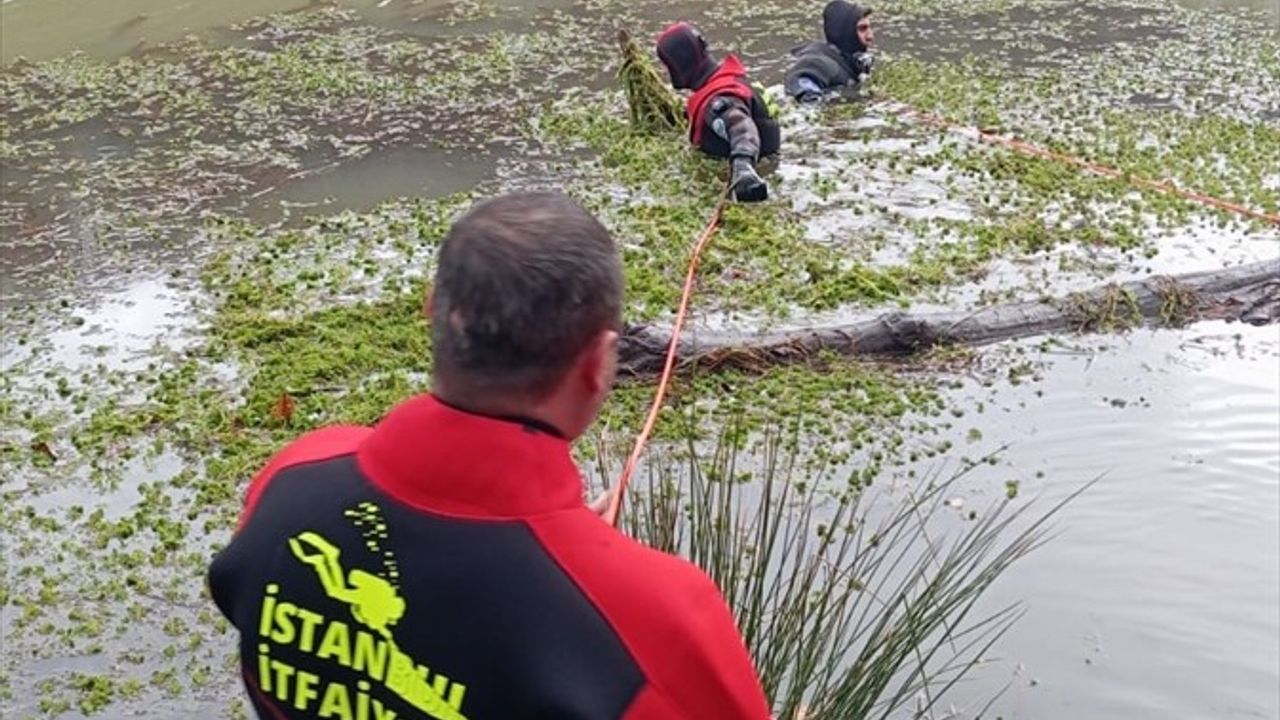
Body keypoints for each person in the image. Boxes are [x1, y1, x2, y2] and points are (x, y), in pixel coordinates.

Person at [207, 192, 772, 719]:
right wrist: (587, 571)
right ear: (599, 363)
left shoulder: (290, 479)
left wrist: (569, 551)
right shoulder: (662, 619)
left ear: (433, 313)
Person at [655, 22, 780, 203]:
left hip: (746, 189)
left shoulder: (719, 102)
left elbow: (741, 127)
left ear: (678, 64)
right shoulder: (733, 81)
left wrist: (742, 167)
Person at [785, 1, 876, 102]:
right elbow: (802, 84)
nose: (870, 36)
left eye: (869, 28)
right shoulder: (820, 62)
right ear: (845, 32)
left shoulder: (848, 62)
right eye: (862, 29)